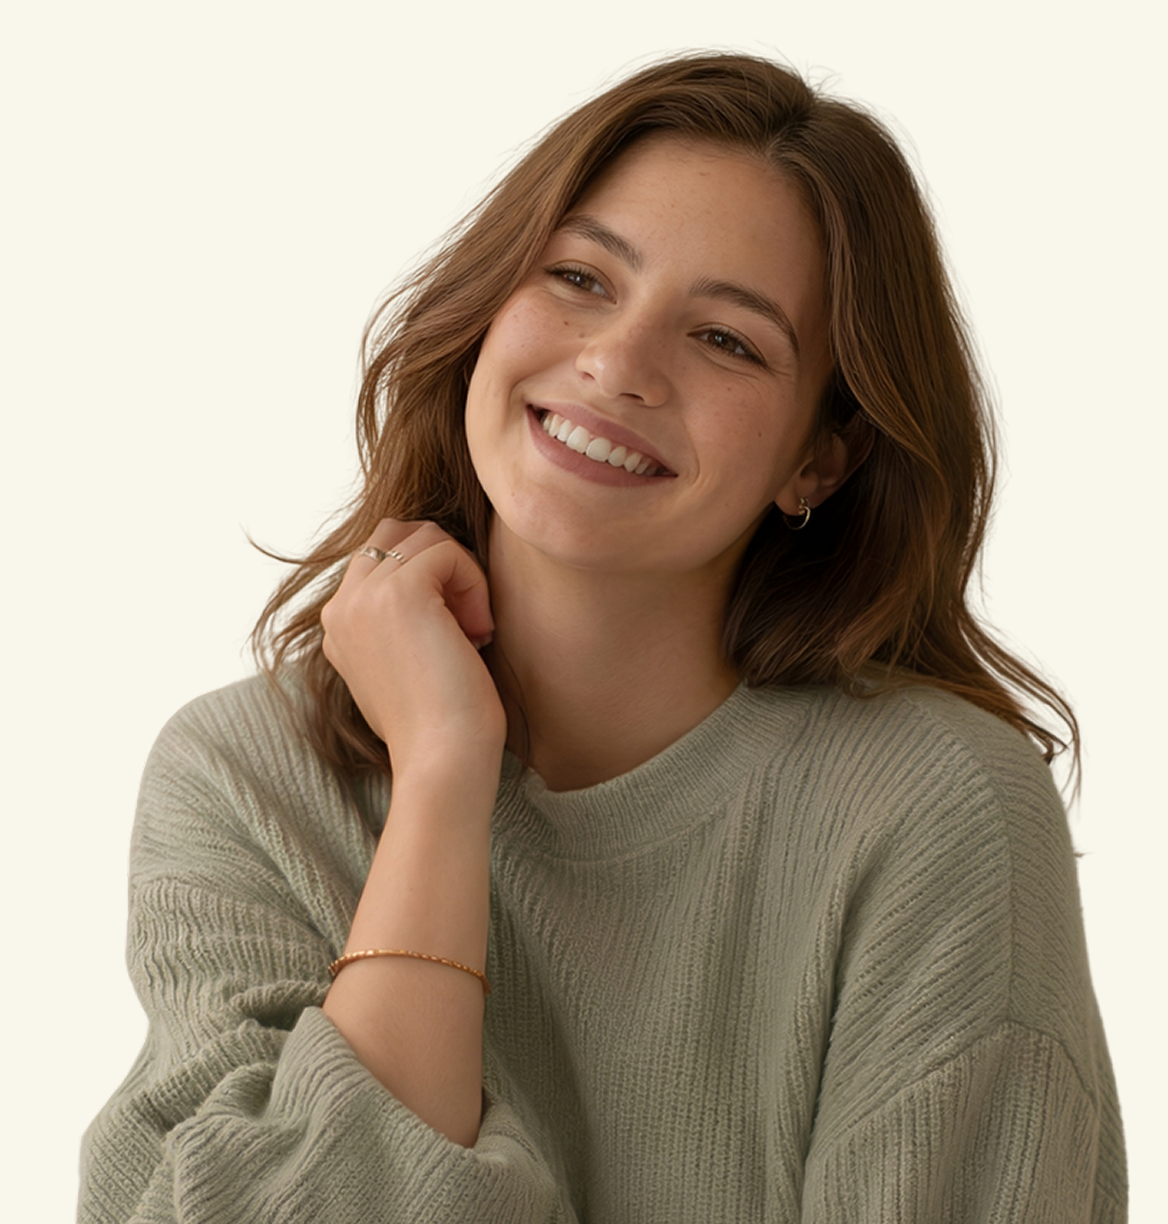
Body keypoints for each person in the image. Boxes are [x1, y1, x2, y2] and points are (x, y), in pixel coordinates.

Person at [79, 53, 1126, 1223]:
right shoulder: (245, 779)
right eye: (580, 276)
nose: (618, 364)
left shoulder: (936, 810)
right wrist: (441, 778)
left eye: (727, 340)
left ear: (817, 460)